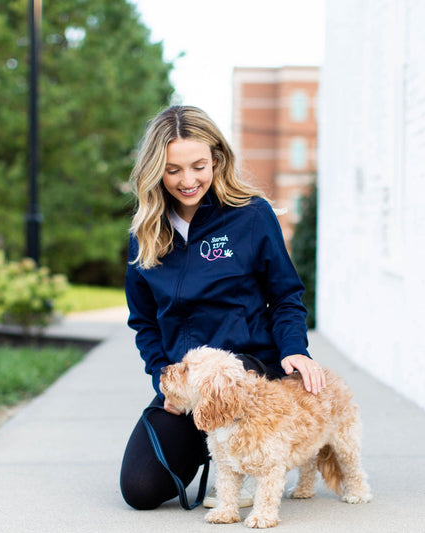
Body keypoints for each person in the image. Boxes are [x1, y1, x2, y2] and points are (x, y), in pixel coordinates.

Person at [120, 105, 326, 511]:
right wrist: (166, 384)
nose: (188, 180)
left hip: (249, 371)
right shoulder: (144, 233)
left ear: (216, 159)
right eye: (172, 169)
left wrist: (293, 349)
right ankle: (213, 443)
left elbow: (285, 295)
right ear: (155, 170)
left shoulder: (250, 215)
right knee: (141, 489)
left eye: (198, 165)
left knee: (240, 382)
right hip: (189, 382)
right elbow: (144, 322)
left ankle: (249, 456)